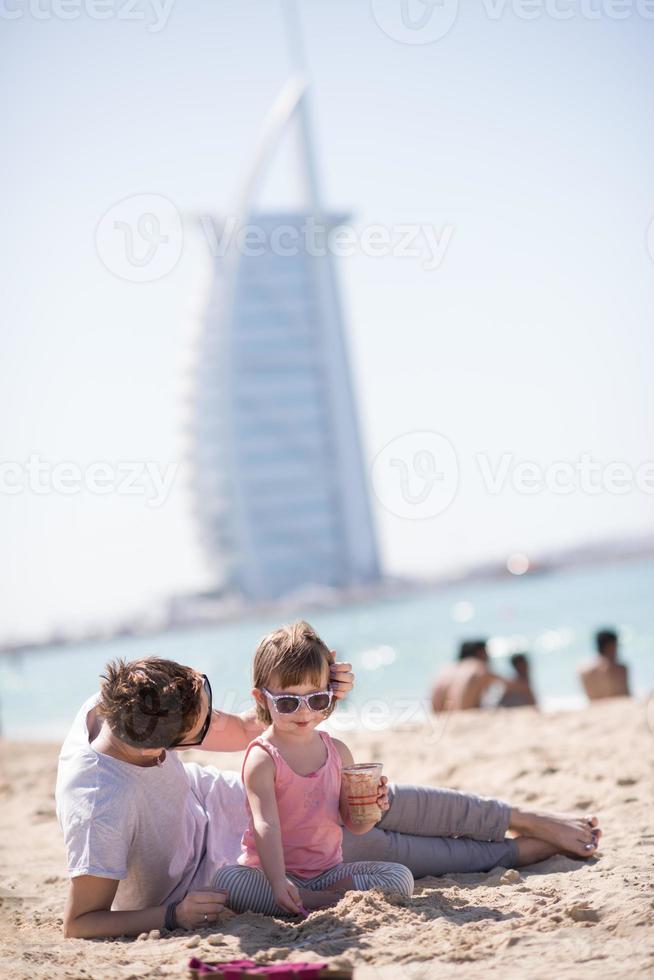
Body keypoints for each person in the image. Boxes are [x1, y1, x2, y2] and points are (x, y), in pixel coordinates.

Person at [57, 635, 602, 939]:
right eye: (204, 717)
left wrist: (315, 695)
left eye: (205, 689)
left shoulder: (128, 700)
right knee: (401, 852)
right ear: (166, 747)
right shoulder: (102, 807)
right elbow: (80, 923)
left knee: (384, 799)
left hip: (230, 807)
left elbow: (251, 728)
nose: (216, 714)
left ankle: (525, 818)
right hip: (236, 866)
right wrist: (172, 917)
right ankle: (516, 848)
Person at [214, 623, 414, 916]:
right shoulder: (263, 757)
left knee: (400, 877)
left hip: (328, 873)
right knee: (229, 882)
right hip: (270, 874)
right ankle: (318, 898)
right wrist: (278, 880)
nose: (304, 711)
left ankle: (314, 898)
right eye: (288, 702)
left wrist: (372, 806)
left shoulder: (338, 751)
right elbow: (264, 824)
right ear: (261, 699)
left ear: (330, 694)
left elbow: (355, 825)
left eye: (316, 699)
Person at [432, 640, 524, 711]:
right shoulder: (477, 668)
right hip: (462, 714)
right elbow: (514, 686)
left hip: (441, 717)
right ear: (480, 653)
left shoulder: (447, 669)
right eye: (487, 653)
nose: (489, 658)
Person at [578, 629, 630, 701]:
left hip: (593, 705)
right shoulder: (620, 669)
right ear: (611, 646)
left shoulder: (583, 670)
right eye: (617, 645)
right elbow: (626, 695)